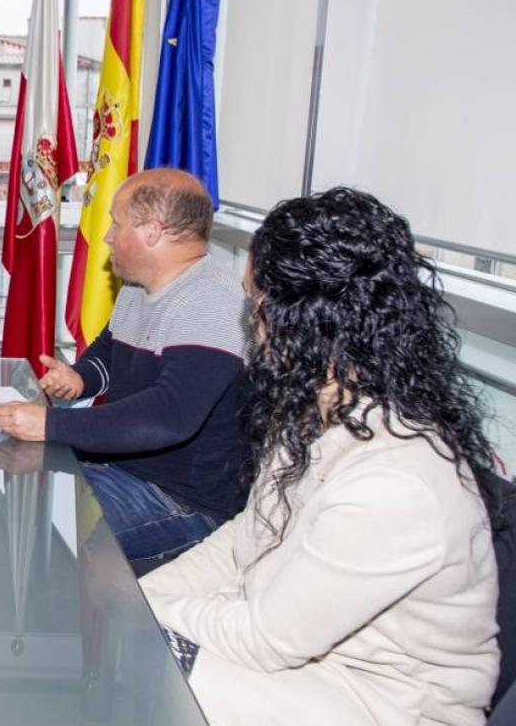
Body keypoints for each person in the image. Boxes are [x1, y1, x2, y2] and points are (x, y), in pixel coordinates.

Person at [139, 187, 501, 725]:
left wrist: (136, 616)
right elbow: (245, 541)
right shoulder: (317, 415)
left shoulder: (398, 481)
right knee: (133, 650)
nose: (251, 324)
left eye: (256, 304)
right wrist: (139, 596)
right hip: (305, 665)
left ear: (303, 320)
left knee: (148, 664)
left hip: (383, 705)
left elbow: (266, 638)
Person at [0, 167, 249, 568]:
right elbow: (108, 353)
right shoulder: (137, 287)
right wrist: (82, 377)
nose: (109, 235)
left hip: (182, 503)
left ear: (152, 230)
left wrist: (50, 426)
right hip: (121, 472)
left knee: (46, 535)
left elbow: (169, 416)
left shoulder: (213, 301)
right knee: (20, 503)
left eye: (116, 223)